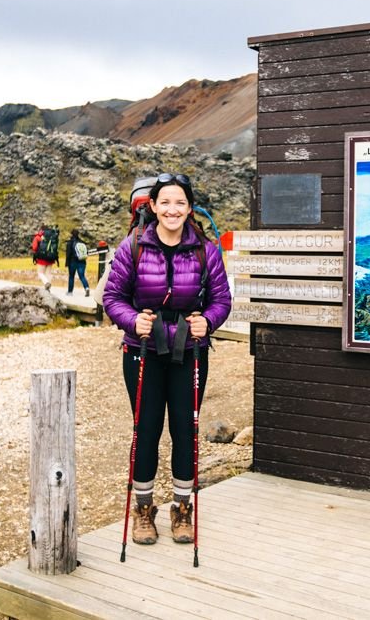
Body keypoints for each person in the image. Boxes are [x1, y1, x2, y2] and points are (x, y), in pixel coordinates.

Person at [103, 173, 231, 546]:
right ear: (154, 207)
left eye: (180, 203)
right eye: (165, 203)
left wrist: (207, 321)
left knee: (185, 430)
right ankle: (144, 510)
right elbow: (113, 298)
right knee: (145, 430)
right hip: (142, 351)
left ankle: (182, 507)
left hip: (189, 352)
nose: (172, 210)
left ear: (189, 209)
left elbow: (222, 300)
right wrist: (133, 320)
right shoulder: (134, 247)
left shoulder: (206, 251)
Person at [64, 229, 91, 297]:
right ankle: (86, 288)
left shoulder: (70, 242)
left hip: (73, 262)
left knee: (71, 276)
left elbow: (68, 254)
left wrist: (67, 263)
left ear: (72, 234)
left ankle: (70, 292)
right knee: (82, 276)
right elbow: (86, 252)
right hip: (82, 261)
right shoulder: (82, 242)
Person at [31, 225, 57, 290]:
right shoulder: (52, 236)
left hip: (41, 258)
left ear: (41, 230)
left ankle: (46, 283)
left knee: (40, 272)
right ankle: (48, 289)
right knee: (48, 273)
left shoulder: (38, 237)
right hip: (51, 258)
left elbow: (34, 247)